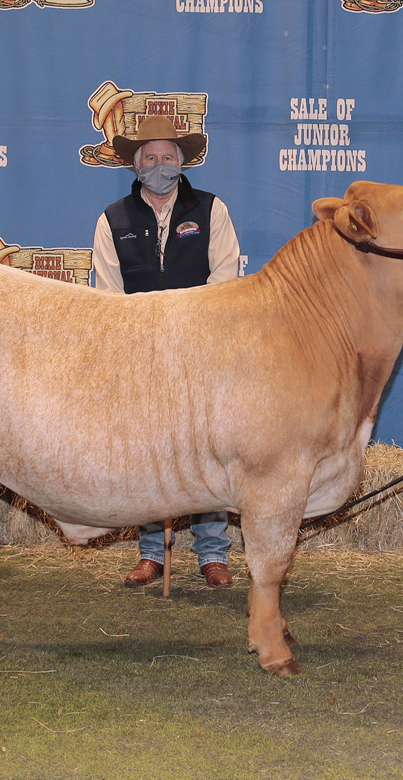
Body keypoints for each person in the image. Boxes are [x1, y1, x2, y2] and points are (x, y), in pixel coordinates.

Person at [91, 115, 240, 589]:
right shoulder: (113, 218)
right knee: (149, 453)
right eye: (150, 158)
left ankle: (212, 553)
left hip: (202, 349)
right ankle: (152, 552)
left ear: (182, 162)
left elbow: (225, 279)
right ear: (136, 166)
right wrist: (140, 339)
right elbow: (108, 292)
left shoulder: (211, 209)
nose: (160, 165)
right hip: (141, 353)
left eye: (168, 157)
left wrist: (190, 329)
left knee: (208, 451)